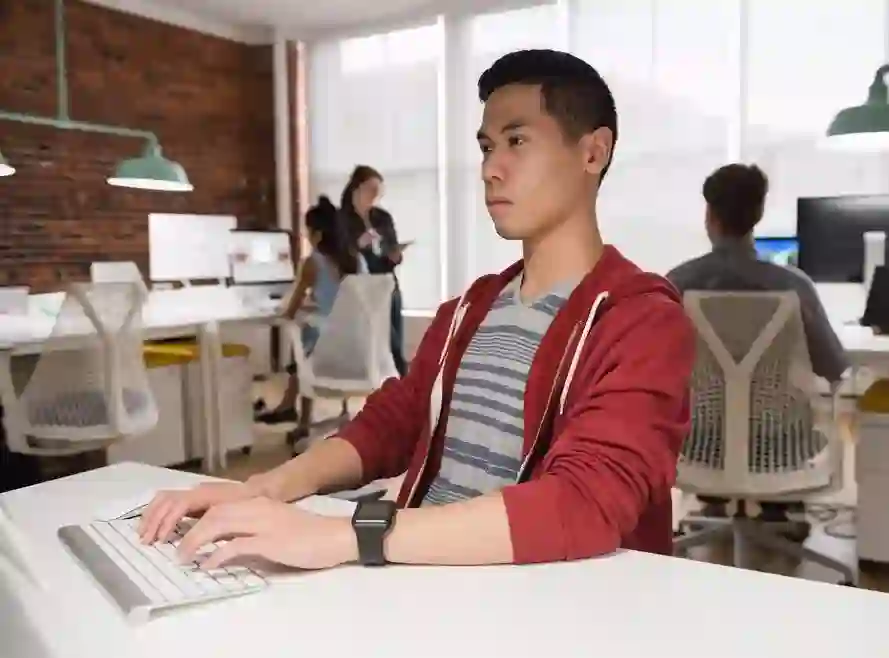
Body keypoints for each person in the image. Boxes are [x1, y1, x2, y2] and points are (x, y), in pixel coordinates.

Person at [138, 49, 696, 572]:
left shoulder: (642, 320)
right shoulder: (469, 309)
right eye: (486, 147)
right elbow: (392, 424)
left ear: (593, 153)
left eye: (517, 141)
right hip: (418, 580)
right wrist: (263, 489)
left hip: (537, 601)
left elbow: (583, 503)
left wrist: (345, 535)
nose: (490, 168)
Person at [667, 163, 849, 524]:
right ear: (759, 214)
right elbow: (832, 366)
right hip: (783, 445)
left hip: (700, 444)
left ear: (709, 215)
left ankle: (717, 502)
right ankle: (775, 510)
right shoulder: (794, 286)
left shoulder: (676, 283)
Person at [255, 196, 363, 442]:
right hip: (357, 348)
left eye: (308, 232)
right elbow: (348, 302)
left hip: (325, 354)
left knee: (304, 337)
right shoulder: (357, 261)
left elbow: (290, 311)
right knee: (314, 334)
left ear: (318, 234)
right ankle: (290, 407)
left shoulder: (313, 263)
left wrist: (288, 308)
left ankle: (302, 422)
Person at [340, 166, 409, 377]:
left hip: (387, 283)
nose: (375, 195)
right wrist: (358, 244)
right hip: (362, 288)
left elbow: (392, 249)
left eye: (378, 190)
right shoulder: (341, 220)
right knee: (387, 340)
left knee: (395, 336)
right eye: (371, 189)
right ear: (357, 188)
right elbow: (339, 256)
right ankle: (403, 381)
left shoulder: (382, 217)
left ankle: (398, 382)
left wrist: (396, 256)